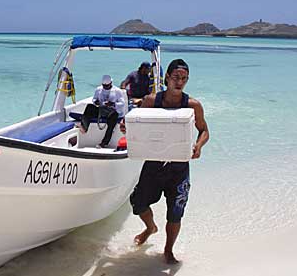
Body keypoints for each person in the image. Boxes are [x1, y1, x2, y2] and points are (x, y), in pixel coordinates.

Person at [129, 59, 209, 264]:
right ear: (167, 78)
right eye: (176, 78)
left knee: (175, 213)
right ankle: (150, 228)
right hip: (154, 164)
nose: (180, 82)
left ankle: (168, 250)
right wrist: (126, 129)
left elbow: (204, 131)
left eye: (184, 79)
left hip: (179, 168)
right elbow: (136, 125)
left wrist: (198, 146)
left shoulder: (193, 105)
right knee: (138, 203)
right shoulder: (150, 101)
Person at [80, 75, 125, 148]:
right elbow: (94, 99)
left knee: (111, 123)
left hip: (112, 111)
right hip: (102, 109)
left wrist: (113, 104)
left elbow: (122, 103)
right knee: (89, 107)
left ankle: (104, 143)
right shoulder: (99, 89)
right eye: (104, 86)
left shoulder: (117, 91)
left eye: (107, 86)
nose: (105, 87)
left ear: (111, 83)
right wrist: (96, 102)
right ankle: (84, 127)